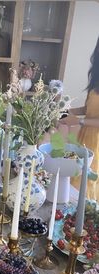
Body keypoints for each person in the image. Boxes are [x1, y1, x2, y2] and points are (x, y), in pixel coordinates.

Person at [61, 37, 99, 201]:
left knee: (86, 184)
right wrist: (66, 110)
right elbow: (88, 109)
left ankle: (81, 223)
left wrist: (78, 121)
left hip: (96, 142)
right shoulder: (96, 78)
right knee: (76, 178)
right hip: (85, 138)